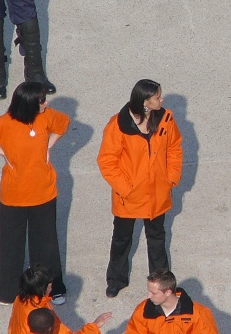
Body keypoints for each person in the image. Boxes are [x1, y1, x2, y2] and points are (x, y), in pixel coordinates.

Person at [0, 82, 70, 305]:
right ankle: (8, 292)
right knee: (10, 244)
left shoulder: (47, 116)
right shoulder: (5, 123)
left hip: (44, 191)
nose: (46, 103)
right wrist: (1, 151)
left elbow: (64, 124)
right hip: (14, 195)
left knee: (46, 243)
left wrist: (48, 146)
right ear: (29, 103)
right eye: (42, 100)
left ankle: (52, 288)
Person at [97, 80, 183, 298]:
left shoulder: (166, 118)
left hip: (157, 194)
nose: (161, 101)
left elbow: (174, 148)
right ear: (145, 102)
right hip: (129, 197)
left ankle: (161, 282)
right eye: (157, 98)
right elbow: (107, 161)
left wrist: (171, 178)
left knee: (157, 239)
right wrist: (126, 189)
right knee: (121, 239)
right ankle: (116, 279)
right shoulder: (118, 124)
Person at [7, 265, 112, 334]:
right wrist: (94, 326)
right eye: (50, 285)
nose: (52, 288)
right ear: (42, 289)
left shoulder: (20, 299)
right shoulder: (42, 315)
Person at [125, 269, 218, 334]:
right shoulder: (143, 311)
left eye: (154, 293)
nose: (148, 296)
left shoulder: (199, 314)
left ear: (168, 292)